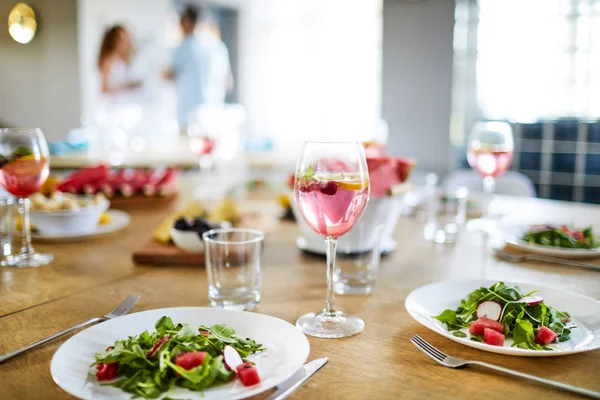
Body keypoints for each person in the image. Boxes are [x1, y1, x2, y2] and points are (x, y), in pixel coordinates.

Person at [163, 5, 233, 132]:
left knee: (187, 146)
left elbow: (169, 75)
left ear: (187, 22)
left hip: (188, 111)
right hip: (209, 110)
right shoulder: (214, 47)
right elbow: (227, 83)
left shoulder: (182, 48)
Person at [97, 25, 142, 104]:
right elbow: (104, 90)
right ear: (113, 40)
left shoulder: (123, 60)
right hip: (113, 108)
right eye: (120, 39)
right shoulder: (108, 61)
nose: (124, 43)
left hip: (126, 105)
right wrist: (126, 86)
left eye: (125, 39)